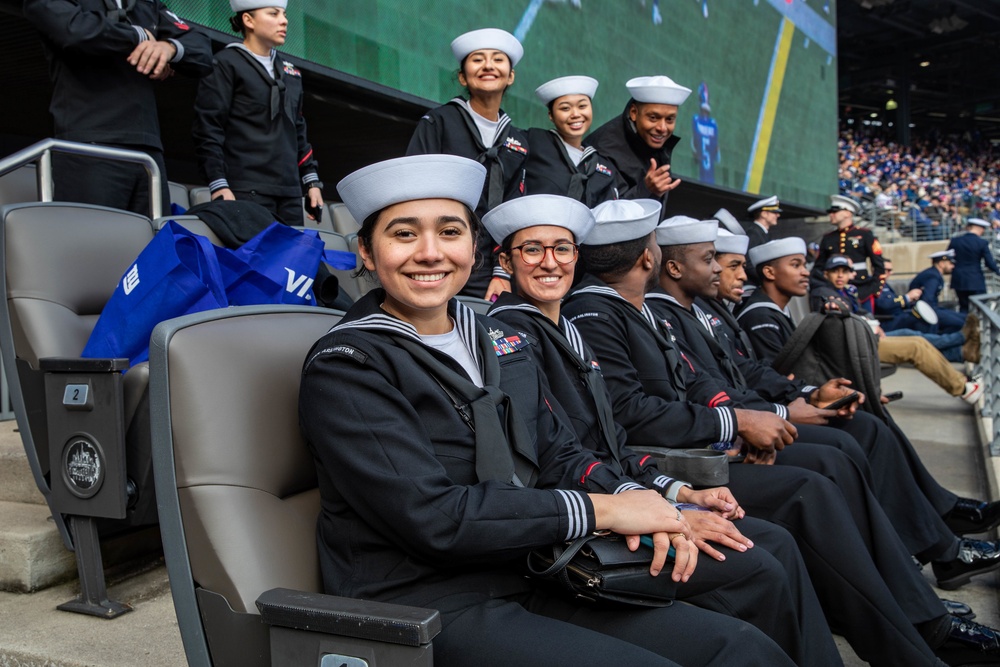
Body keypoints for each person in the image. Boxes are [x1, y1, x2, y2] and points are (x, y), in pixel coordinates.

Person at [299, 154, 795, 667]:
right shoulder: (349, 364)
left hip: (535, 563)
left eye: (449, 232)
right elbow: (434, 518)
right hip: (429, 601)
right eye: (404, 234)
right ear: (365, 250)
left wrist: (646, 503)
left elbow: (555, 448)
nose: (430, 253)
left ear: (473, 248)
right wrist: (604, 510)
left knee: (739, 646)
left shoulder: (492, 336)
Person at [560, 201, 1000, 665]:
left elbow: (700, 380)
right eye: (712, 259)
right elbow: (631, 412)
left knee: (840, 452)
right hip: (675, 463)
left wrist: (776, 409)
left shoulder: (636, 310)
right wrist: (739, 426)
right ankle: (915, 624)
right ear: (651, 258)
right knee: (815, 483)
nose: (720, 270)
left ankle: (913, 608)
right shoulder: (596, 312)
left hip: (695, 452)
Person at [483, 194, 839, 665]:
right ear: (504, 261)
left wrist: (679, 491)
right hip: (586, 519)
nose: (550, 262)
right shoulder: (509, 335)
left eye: (562, 248)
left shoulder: (563, 325)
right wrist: (656, 506)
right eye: (532, 250)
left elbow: (611, 441)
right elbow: (557, 457)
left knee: (768, 545)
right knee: (758, 563)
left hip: (623, 494)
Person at [648, 219, 1000, 592]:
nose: (728, 272)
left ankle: (934, 532)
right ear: (671, 267)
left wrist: (810, 394)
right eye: (721, 262)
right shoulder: (710, 314)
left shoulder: (699, 311)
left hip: (748, 419)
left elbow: (742, 374)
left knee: (864, 426)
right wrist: (775, 414)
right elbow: (707, 389)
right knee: (840, 451)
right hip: (720, 443)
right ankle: (913, 562)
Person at [24, 0, 212, 216]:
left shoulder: (146, 4)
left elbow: (202, 49)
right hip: (89, 146)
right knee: (93, 242)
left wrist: (168, 48)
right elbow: (75, 31)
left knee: (153, 245)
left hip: (148, 152)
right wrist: (139, 36)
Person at [739, 243, 983, 406]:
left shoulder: (843, 291)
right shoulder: (821, 293)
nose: (804, 272)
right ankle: (963, 368)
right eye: (796, 265)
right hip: (851, 348)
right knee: (917, 345)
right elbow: (777, 372)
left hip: (862, 341)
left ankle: (963, 356)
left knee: (917, 340)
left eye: (845, 270)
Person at [406, 28, 528, 301]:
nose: (488, 65)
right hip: (441, 256)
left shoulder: (517, 141)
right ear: (462, 76)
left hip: (495, 269)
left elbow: (513, 212)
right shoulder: (438, 122)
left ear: (510, 75)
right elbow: (414, 191)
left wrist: (502, 272)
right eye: (477, 59)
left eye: (498, 59)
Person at [191, 0, 323, 226]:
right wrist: (219, 183)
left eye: (284, 14)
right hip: (245, 188)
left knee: (289, 261)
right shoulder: (226, 63)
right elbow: (208, 127)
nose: (284, 20)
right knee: (250, 260)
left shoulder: (290, 72)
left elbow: (298, 130)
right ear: (248, 20)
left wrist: (311, 182)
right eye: (273, 14)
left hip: (289, 192)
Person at [585, 75, 690, 217]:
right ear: (634, 113)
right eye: (653, 118)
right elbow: (602, 216)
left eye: (670, 119)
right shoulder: (604, 149)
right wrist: (646, 189)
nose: (662, 128)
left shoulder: (652, 142)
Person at [524, 76, 618, 206]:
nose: (575, 114)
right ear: (551, 115)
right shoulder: (534, 141)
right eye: (565, 108)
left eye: (582, 106)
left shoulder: (604, 168)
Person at [875, 258, 973, 363]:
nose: (891, 273)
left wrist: (909, 300)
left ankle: (960, 352)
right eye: (887, 270)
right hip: (887, 323)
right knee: (916, 335)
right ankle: (960, 338)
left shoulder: (883, 284)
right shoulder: (875, 285)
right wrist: (906, 297)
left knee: (923, 328)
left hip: (895, 318)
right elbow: (883, 305)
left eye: (891, 270)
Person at [810, 194, 886, 312]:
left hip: (862, 290)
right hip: (835, 291)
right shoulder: (828, 238)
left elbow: (879, 265)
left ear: (848, 213)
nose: (831, 215)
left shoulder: (865, 234)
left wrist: (874, 290)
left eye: (835, 211)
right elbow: (819, 267)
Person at [949, 217, 1000, 312]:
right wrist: (998, 271)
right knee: (981, 307)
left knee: (963, 307)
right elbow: (989, 263)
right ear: (980, 229)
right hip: (975, 280)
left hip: (959, 279)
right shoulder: (982, 243)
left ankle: (964, 325)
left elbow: (949, 258)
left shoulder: (955, 241)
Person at [909, 250, 967, 333]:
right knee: (960, 324)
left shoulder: (934, 274)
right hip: (925, 311)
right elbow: (928, 300)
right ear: (941, 264)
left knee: (965, 318)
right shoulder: (932, 276)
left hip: (932, 308)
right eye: (950, 263)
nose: (953, 266)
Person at [742, 195, 781, 288]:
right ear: (764, 214)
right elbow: (747, 261)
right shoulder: (754, 233)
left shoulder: (762, 233)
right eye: (774, 212)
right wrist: (764, 278)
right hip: (752, 285)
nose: (778, 215)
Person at [690, 83, 720, 185]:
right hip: (711, 174)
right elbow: (716, 150)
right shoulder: (714, 124)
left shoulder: (696, 120)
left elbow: (694, 146)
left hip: (702, 171)